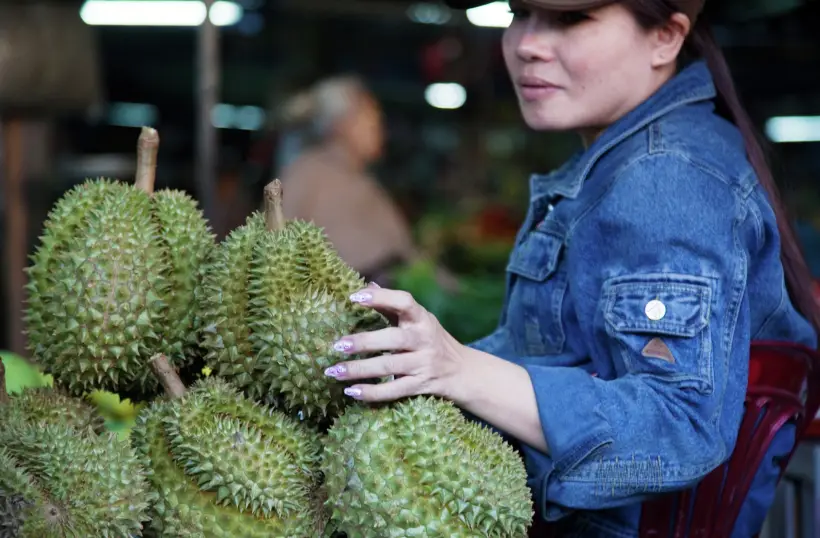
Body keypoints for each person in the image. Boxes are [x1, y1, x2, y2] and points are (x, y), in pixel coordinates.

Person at [320, 1, 820, 537]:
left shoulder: (664, 179)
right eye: (520, 13)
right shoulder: (632, 162)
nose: (527, 44)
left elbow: (679, 425)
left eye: (570, 20)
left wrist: (459, 369)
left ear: (666, 38)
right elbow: (564, 356)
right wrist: (426, 366)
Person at [275, 75, 423, 286]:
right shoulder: (304, 174)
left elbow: (404, 252)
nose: (380, 132)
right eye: (373, 122)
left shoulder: (363, 181)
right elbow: (275, 250)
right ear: (342, 125)